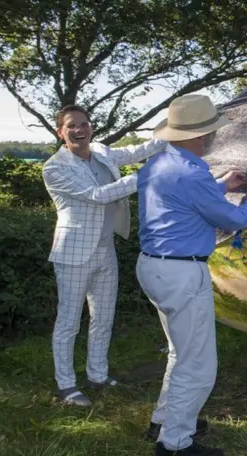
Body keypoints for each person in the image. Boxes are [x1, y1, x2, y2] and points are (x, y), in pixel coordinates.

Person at [135, 94, 247, 456]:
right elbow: (233, 219)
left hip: (154, 266)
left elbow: (185, 197)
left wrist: (222, 181)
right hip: (181, 271)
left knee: (181, 352)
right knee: (197, 364)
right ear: (203, 135)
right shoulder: (191, 172)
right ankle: (175, 444)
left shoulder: (158, 164)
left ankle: (164, 421)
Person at [42, 104, 168, 406]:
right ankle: (67, 386)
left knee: (104, 317)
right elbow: (98, 196)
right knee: (69, 322)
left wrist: (174, 133)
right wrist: (146, 174)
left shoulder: (100, 151)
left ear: (91, 128)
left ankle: (97, 375)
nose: (79, 130)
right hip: (72, 253)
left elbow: (138, 150)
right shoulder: (54, 168)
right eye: (71, 125)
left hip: (105, 249)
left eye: (83, 124)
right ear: (61, 132)